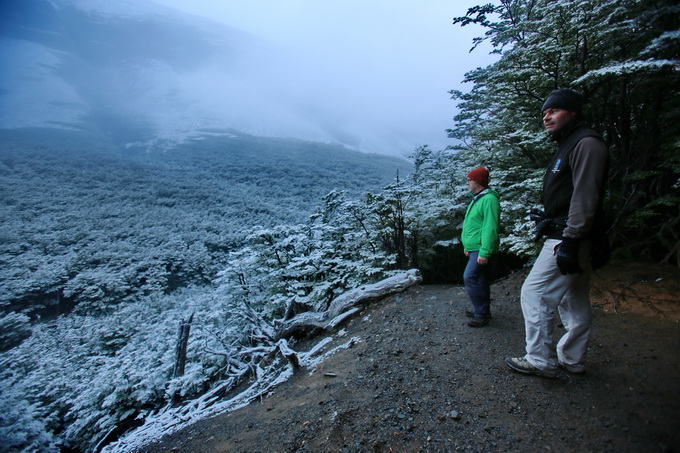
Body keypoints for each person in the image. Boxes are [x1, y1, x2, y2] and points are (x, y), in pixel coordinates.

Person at [506, 88, 609, 378]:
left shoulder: (586, 143)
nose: (546, 117)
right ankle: (572, 359)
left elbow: (585, 196)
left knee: (535, 293)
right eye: (544, 113)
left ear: (573, 112)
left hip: (569, 235)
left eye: (553, 111)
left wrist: (571, 240)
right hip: (568, 231)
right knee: (573, 298)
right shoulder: (570, 142)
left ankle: (539, 360)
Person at [461, 167, 501, 327]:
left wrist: (485, 252)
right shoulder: (478, 198)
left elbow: (490, 227)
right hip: (475, 247)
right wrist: (468, 247)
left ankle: (481, 314)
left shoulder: (489, 200)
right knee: (480, 279)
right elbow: (475, 225)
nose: (467, 182)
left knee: (470, 277)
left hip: (481, 248)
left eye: (469, 179)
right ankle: (482, 309)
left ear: (477, 181)